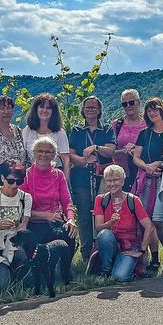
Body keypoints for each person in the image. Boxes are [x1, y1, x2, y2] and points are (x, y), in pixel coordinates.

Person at [68, 96, 115, 261]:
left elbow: (111, 150)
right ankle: (87, 254)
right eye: (87, 107)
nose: (90, 110)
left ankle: (103, 250)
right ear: (83, 110)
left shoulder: (107, 129)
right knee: (84, 216)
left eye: (94, 107)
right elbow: (71, 153)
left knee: (103, 214)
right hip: (81, 178)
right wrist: (81, 161)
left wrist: (95, 148)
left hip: (102, 179)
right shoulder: (77, 130)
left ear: (99, 110)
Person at [93, 165, 154, 282]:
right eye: (109, 181)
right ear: (105, 182)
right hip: (111, 244)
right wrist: (110, 223)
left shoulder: (133, 200)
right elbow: (98, 228)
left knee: (120, 277)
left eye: (116, 180)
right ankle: (105, 271)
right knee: (104, 234)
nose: (112, 184)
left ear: (123, 180)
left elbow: (149, 227)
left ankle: (128, 265)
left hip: (129, 245)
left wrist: (141, 251)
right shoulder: (101, 200)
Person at [131, 97, 163, 274]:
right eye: (149, 110)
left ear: (162, 110)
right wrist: (147, 167)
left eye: (155, 109)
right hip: (145, 180)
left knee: (160, 220)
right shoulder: (144, 133)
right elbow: (136, 157)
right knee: (147, 220)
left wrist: (159, 164)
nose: (152, 113)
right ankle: (155, 257)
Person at [20, 137, 78, 255]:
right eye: (40, 151)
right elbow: (20, 207)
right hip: (32, 221)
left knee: (69, 231)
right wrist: (45, 215)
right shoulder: (25, 175)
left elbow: (67, 202)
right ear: (33, 153)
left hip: (54, 221)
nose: (44, 154)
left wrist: (71, 219)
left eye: (48, 152)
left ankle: (64, 269)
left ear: (54, 155)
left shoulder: (59, 175)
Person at [0, 162, 33, 292]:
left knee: (27, 282)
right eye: (10, 181)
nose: (15, 185)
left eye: (19, 181)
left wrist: (19, 228)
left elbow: (24, 225)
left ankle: (14, 273)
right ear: (2, 178)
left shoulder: (25, 198)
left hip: (14, 244)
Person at [22, 93, 71, 180]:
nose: (45, 110)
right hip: (31, 177)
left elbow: (65, 160)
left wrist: (65, 181)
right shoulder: (28, 130)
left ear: (53, 112)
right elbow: (22, 157)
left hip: (53, 178)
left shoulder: (60, 132)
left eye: (48, 108)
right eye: (41, 107)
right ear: (36, 109)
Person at [111, 89, 147, 191]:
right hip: (119, 175)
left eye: (131, 102)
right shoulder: (116, 125)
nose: (128, 106)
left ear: (138, 103)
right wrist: (124, 151)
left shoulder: (147, 125)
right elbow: (110, 151)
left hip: (141, 174)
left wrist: (136, 149)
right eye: (124, 104)